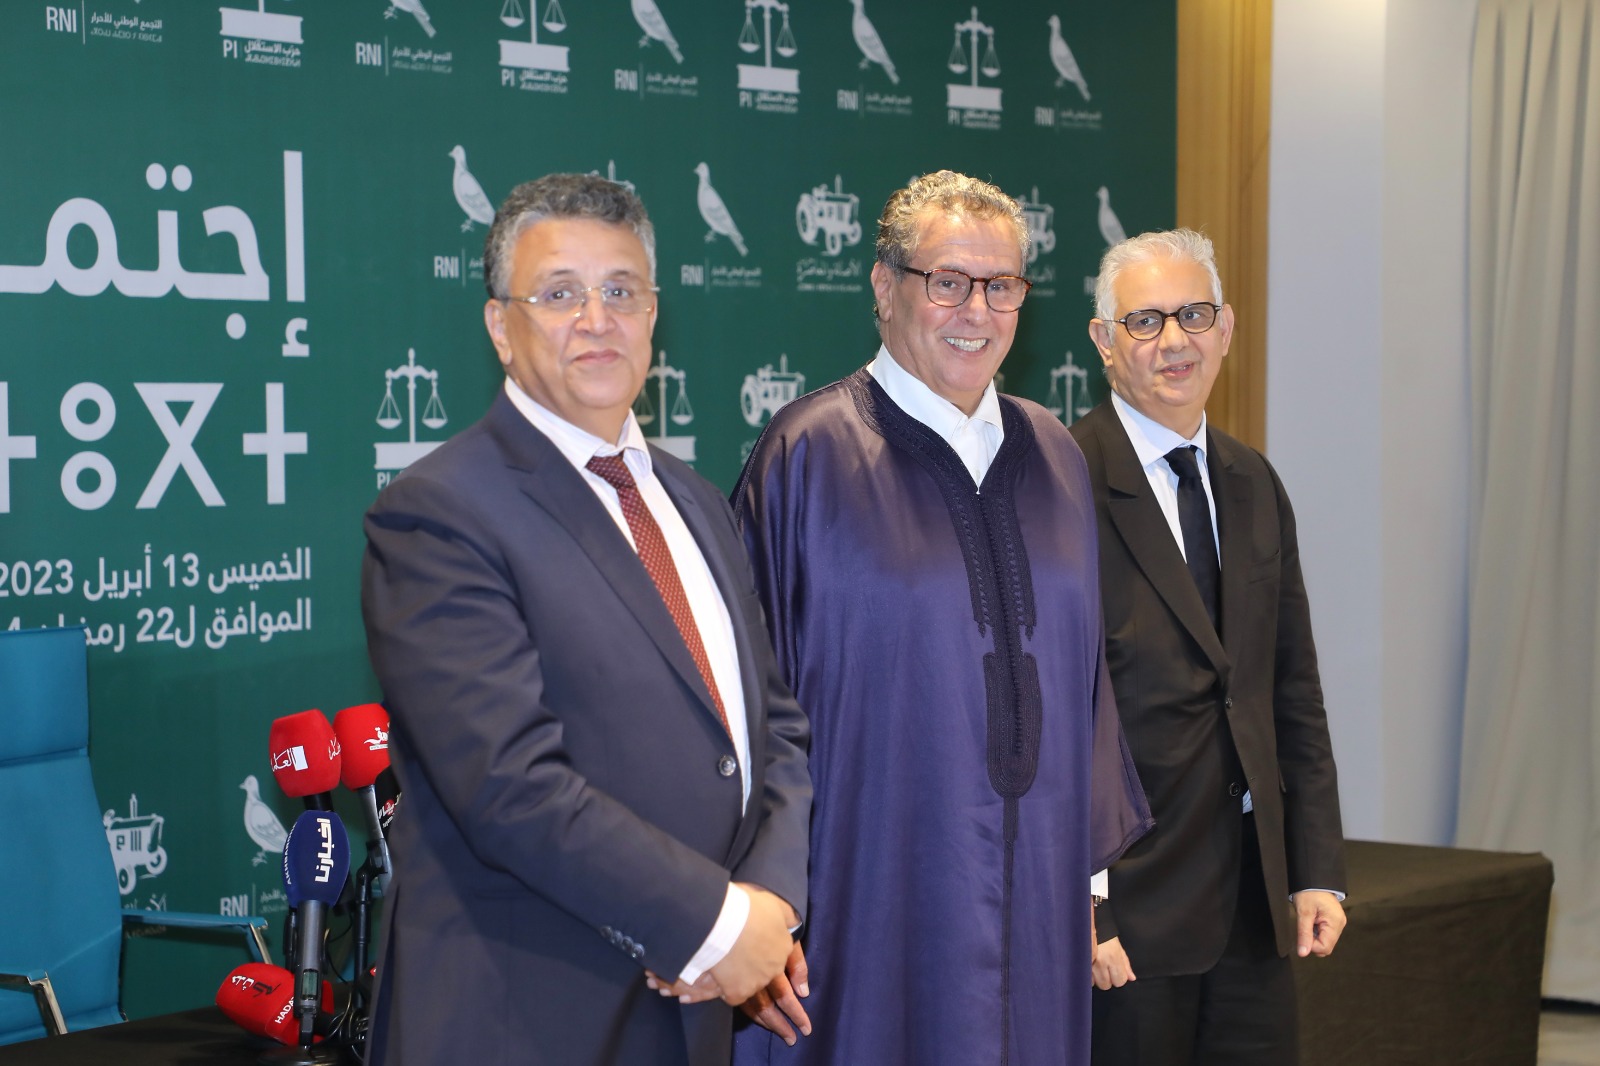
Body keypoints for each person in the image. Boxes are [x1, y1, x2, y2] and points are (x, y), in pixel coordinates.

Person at [360, 173, 812, 1066]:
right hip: (529, 1016)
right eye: (560, 294)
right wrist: (716, 925)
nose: (597, 320)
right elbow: (509, 788)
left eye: (621, 291)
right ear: (501, 326)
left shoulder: (696, 500)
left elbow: (775, 728)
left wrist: (770, 901)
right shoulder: (437, 513)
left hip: (695, 1011)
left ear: (653, 315)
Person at [730, 170, 1152, 1065]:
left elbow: (1084, 684)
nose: (977, 311)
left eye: (1002, 286)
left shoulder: (1056, 455)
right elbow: (745, 705)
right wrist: (760, 906)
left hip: (1038, 911)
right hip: (863, 907)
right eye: (948, 281)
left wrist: (1087, 887)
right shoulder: (805, 457)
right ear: (885, 287)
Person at [1071, 228, 1347, 1066]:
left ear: (1225, 329)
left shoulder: (1254, 480)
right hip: (1130, 915)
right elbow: (1051, 712)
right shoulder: (1061, 481)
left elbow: (1290, 686)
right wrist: (1084, 904)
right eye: (1145, 320)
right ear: (1104, 341)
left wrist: (1315, 867)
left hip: (1254, 907)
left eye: (1193, 315)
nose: (1174, 341)